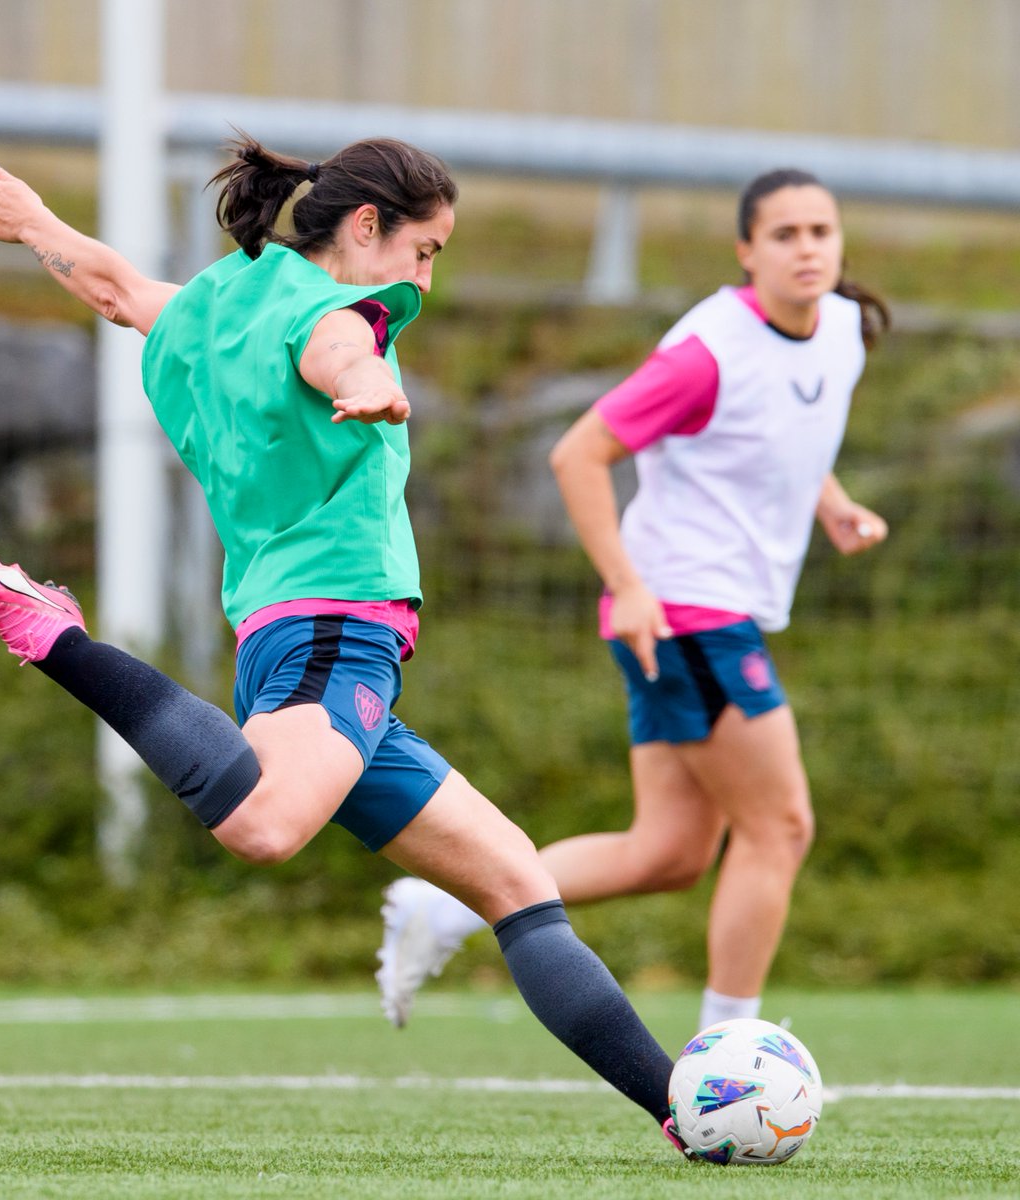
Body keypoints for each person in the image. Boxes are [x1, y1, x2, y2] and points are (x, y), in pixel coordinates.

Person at [0, 138, 694, 1154]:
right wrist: (369, 381)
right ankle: (59, 640)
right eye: (425, 251)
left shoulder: (228, 300)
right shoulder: (337, 318)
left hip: (301, 640)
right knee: (262, 825)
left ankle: (684, 1114)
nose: (428, 276)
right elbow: (336, 347)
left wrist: (33, 222)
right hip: (336, 631)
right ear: (367, 227)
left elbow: (118, 287)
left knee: (520, 884)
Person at [377, 168, 890, 1037]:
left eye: (821, 232)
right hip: (685, 608)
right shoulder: (707, 351)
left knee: (670, 853)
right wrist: (629, 587)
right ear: (746, 252)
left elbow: (780, 436)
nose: (808, 249)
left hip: (707, 610)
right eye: (785, 235)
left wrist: (830, 502)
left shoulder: (839, 328)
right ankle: (730, 1050)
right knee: (781, 826)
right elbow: (578, 454)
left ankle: (447, 909)